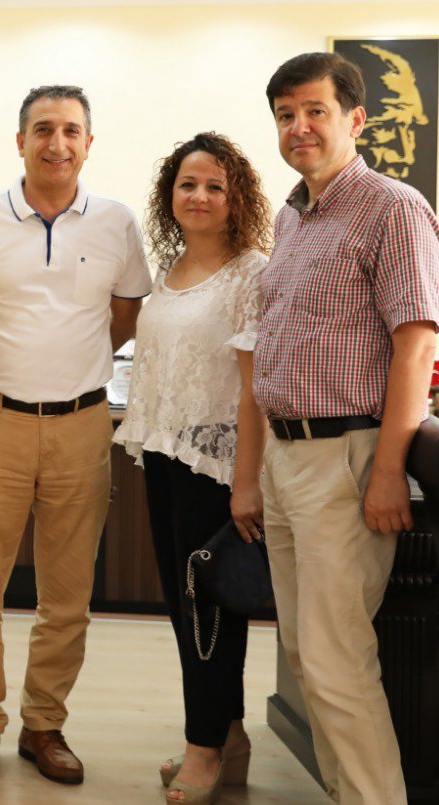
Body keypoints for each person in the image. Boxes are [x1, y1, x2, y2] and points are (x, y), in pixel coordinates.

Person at [0, 85, 151, 785]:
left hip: (82, 424)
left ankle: (44, 724)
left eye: (70, 130)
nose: (56, 143)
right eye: (42, 129)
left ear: (88, 144)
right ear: (20, 141)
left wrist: (73, 364)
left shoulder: (116, 221)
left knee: (67, 596)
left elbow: (124, 315)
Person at [256, 52, 439, 805]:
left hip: (347, 454)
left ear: (356, 119)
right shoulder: (291, 216)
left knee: (336, 662)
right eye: (285, 115)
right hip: (285, 455)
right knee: (305, 656)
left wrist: (388, 470)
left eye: (315, 111)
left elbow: (417, 344)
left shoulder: (393, 207)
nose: (299, 127)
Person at [111, 133, 271, 804]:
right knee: (188, 608)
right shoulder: (171, 269)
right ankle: (227, 736)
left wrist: (246, 482)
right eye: (187, 184)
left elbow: (255, 390)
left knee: (209, 610)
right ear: (169, 195)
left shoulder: (252, 274)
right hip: (165, 457)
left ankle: (203, 749)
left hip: (218, 467)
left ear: (236, 197)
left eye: (214, 185)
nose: (199, 196)